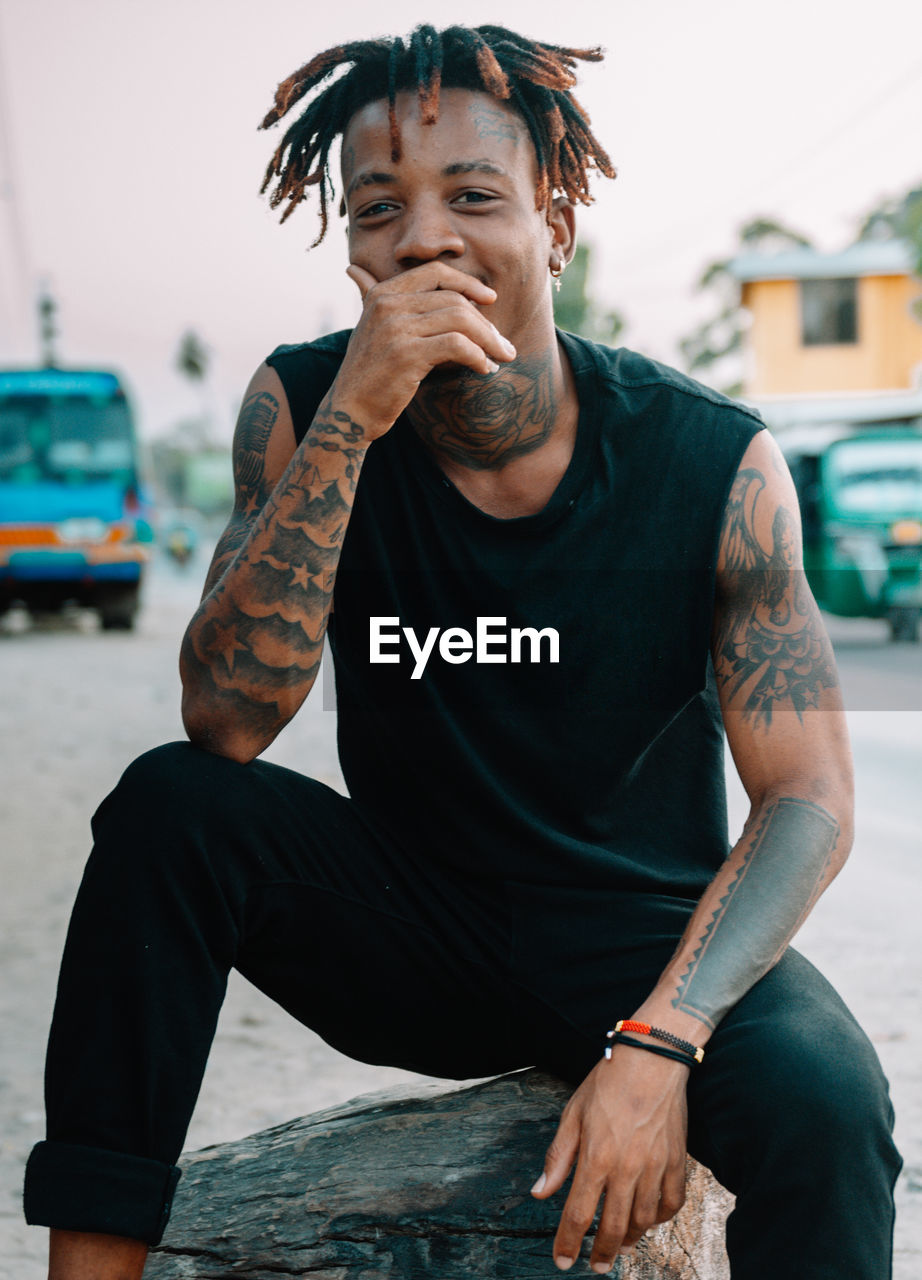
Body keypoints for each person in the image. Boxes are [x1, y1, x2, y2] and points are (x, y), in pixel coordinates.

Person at [25, 24, 900, 1279]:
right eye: (380, 208)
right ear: (352, 249)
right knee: (169, 807)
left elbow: (809, 797)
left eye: (473, 196)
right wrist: (356, 419)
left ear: (555, 223)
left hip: (640, 932)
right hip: (409, 923)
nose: (424, 236)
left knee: (830, 1106)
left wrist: (660, 1041)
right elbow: (226, 722)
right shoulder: (301, 405)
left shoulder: (709, 458)